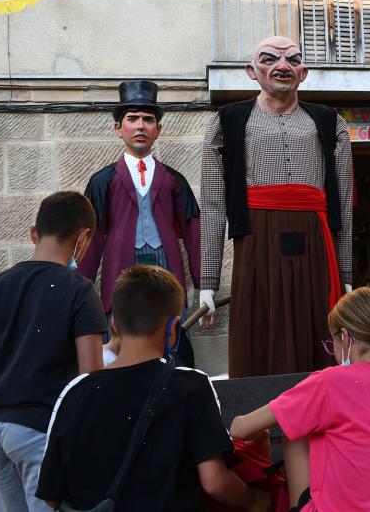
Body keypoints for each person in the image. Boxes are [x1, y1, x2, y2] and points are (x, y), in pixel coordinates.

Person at [36, 265, 268, 511]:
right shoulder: (191, 386)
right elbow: (215, 483)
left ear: (114, 325)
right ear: (172, 330)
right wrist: (255, 501)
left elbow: (51, 493)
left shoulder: (75, 391)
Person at [201, 35, 353, 377]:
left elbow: (342, 205)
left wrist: (345, 276)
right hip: (256, 237)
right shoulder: (227, 121)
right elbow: (212, 204)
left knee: (317, 327)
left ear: (304, 71)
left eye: (292, 60)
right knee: (260, 326)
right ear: (251, 71)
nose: (282, 66)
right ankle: (262, 422)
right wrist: (207, 281)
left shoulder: (331, 122)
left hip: (316, 237)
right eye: (269, 59)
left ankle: (320, 414)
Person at [0, 191, 107, 511]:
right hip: (39, 429)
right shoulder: (79, 290)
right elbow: (91, 375)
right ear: (84, 237)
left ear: (33, 232)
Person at [229, 288, 370, 511]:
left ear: (346, 338)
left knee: (294, 424)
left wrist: (262, 434)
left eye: (333, 344)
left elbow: (239, 428)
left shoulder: (329, 383)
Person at [79, 80, 201, 367]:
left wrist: (204, 283)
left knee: (173, 340)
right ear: (118, 128)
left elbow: (195, 229)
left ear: (158, 129)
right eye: (132, 119)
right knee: (122, 340)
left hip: (167, 269)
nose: (140, 126)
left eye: (148, 119)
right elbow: (91, 237)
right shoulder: (102, 180)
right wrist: (80, 287)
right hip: (121, 271)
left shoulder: (174, 180)